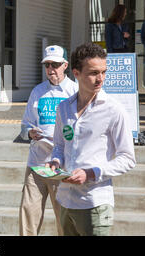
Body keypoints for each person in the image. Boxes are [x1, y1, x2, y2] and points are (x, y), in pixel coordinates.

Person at [46, 43, 136, 236]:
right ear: (76, 73)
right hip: (65, 200)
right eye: (94, 73)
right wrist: (55, 162)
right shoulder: (64, 107)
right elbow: (60, 146)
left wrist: (92, 173)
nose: (100, 79)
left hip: (95, 203)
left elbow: (128, 158)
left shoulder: (114, 110)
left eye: (104, 72)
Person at [19, 45, 78, 236]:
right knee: (28, 211)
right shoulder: (37, 91)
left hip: (61, 163)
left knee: (64, 217)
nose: (51, 69)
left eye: (55, 64)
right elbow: (25, 125)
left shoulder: (75, 90)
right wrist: (30, 133)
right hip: (36, 162)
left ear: (65, 65)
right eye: (47, 65)